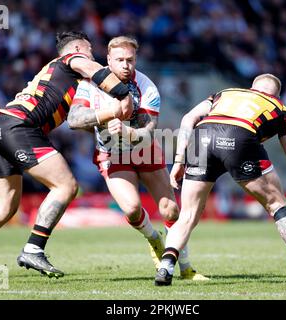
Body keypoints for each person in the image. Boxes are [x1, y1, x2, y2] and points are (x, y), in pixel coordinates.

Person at [0, 31, 133, 284]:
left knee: (5, 206)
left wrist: (107, 123)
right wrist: (123, 93)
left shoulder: (65, 79)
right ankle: (34, 248)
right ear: (77, 47)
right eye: (89, 49)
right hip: (20, 128)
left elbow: (81, 121)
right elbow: (93, 69)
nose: (92, 55)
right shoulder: (72, 59)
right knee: (66, 186)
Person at [154, 74, 286, 286]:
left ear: (251, 88)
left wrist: (178, 161)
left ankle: (166, 267)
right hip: (239, 137)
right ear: (277, 94)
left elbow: (188, 118)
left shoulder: (225, 93)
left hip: (201, 137)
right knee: (277, 205)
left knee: (188, 214)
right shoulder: (280, 108)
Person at [68, 36, 207, 280]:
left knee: (171, 211)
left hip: (144, 149)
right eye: (119, 60)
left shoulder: (147, 86)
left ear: (136, 60)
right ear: (108, 60)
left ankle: (185, 268)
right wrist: (107, 114)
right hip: (111, 152)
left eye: (130, 60)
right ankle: (154, 240)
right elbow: (74, 119)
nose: (125, 65)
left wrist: (127, 131)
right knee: (132, 210)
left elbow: (148, 130)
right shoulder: (90, 83)